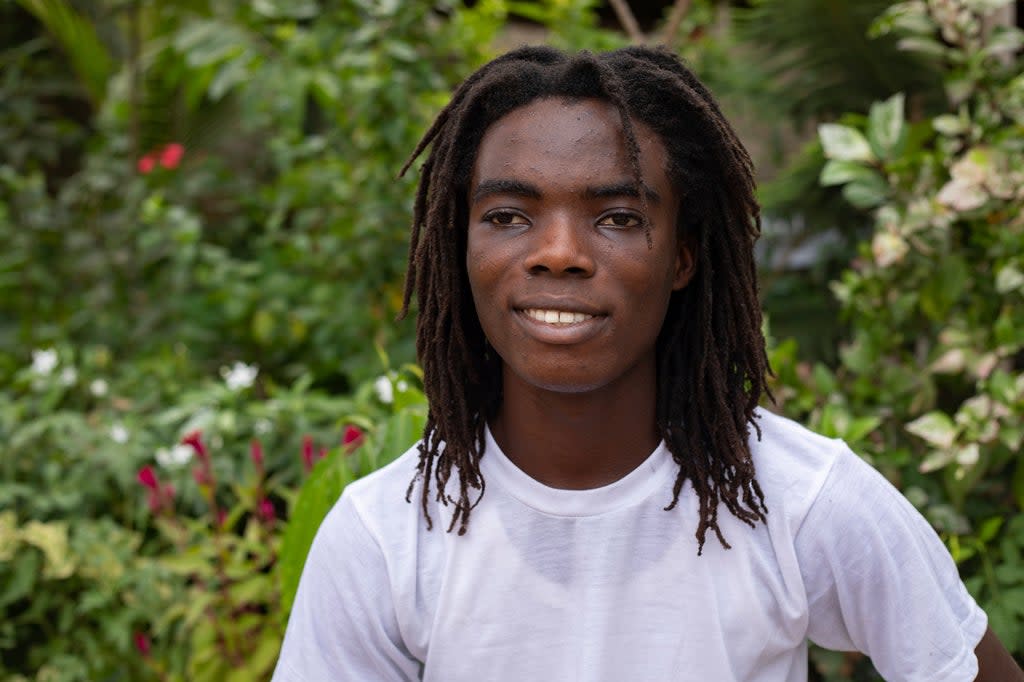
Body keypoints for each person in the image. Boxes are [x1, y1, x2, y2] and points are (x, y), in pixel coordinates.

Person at [273, 46, 1022, 681]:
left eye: (618, 218)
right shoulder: (381, 538)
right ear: (458, 247)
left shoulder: (803, 502)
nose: (559, 253)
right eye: (508, 216)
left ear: (681, 257)